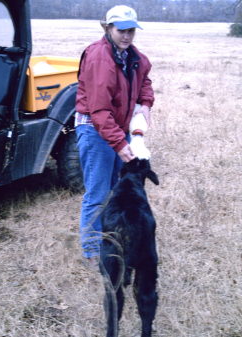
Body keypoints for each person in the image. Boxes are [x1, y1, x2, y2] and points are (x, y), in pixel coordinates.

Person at [75, 5, 154, 268]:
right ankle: (91, 251)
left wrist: (145, 103)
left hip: (116, 128)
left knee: (116, 190)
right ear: (108, 28)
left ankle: (111, 238)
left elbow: (144, 79)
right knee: (97, 193)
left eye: (131, 30)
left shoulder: (132, 56)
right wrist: (120, 144)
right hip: (94, 129)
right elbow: (98, 110)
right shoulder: (100, 58)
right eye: (121, 30)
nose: (127, 36)